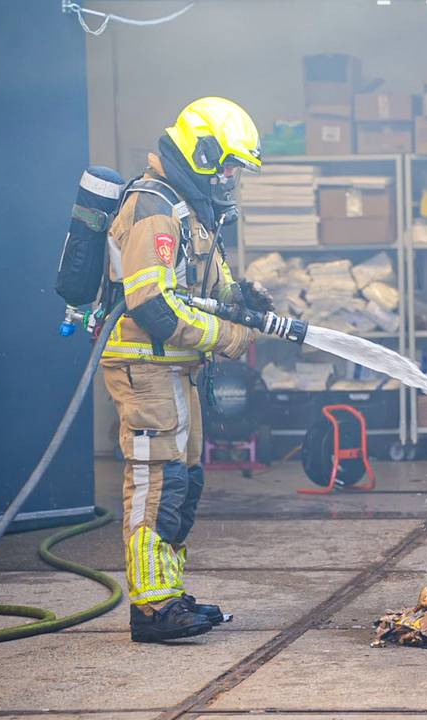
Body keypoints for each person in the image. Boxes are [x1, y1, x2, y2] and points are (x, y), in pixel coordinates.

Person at [100, 97, 274, 643]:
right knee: (157, 482)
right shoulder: (154, 208)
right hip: (144, 367)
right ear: (201, 153)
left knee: (185, 481)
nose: (230, 179)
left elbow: (215, 284)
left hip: (176, 368)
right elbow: (152, 306)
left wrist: (244, 301)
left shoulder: (190, 211)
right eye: (228, 167)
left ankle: (169, 593)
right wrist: (228, 336)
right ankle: (151, 608)